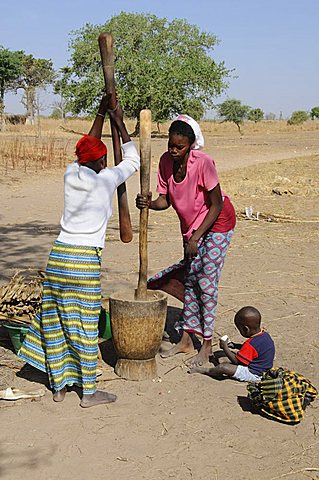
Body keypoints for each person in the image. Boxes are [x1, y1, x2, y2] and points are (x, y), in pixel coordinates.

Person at [18, 94, 140, 407]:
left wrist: (101, 111)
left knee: (56, 320)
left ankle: (58, 387)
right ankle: (88, 392)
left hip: (59, 256)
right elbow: (133, 160)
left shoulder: (71, 174)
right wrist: (120, 122)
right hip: (84, 262)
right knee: (85, 325)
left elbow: (89, 143)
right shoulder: (107, 179)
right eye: (102, 160)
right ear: (100, 162)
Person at [136, 114, 236, 366]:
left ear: (190, 145)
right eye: (171, 144)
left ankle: (208, 345)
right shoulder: (165, 162)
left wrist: (197, 237)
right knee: (190, 280)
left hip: (218, 223)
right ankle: (186, 340)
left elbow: (217, 204)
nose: (173, 150)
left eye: (179, 147)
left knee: (206, 282)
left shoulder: (203, 163)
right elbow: (165, 200)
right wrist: (149, 203)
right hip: (191, 228)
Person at [189, 306, 275, 382]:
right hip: (264, 370)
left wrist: (225, 347)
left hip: (254, 374)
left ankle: (206, 371)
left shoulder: (251, 344)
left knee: (223, 367)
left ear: (246, 329)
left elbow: (237, 361)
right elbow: (254, 351)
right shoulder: (264, 336)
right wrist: (235, 346)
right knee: (222, 357)